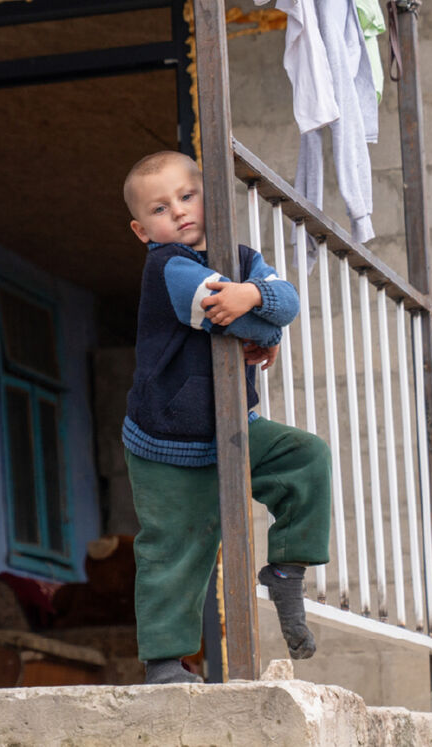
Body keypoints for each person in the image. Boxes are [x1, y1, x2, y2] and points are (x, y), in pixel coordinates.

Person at [120, 150, 333, 684]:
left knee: (305, 457)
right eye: (160, 208)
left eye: (187, 197)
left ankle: (285, 569)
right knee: (176, 544)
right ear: (142, 230)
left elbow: (287, 301)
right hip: (165, 440)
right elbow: (223, 316)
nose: (178, 211)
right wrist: (263, 325)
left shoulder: (241, 258)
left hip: (232, 426)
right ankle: (164, 663)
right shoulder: (167, 267)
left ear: (208, 196)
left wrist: (254, 296)